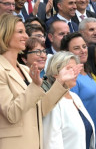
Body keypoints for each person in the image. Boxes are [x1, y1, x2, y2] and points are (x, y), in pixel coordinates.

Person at [0, 14, 79, 149]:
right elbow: (11, 114)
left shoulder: (25, 69)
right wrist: (35, 86)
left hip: (35, 143)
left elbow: (41, 109)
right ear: (5, 34)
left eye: (25, 31)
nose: (26, 36)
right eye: (20, 32)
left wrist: (60, 82)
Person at [42, 51, 95, 149]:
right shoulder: (52, 101)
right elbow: (51, 143)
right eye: (69, 68)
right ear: (55, 73)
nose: (74, 73)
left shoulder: (75, 97)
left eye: (75, 68)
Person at [60, 32, 96, 149]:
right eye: (76, 48)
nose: (83, 50)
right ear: (66, 52)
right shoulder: (72, 79)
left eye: (84, 46)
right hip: (84, 139)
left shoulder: (88, 74)